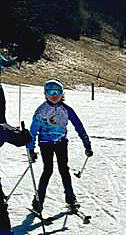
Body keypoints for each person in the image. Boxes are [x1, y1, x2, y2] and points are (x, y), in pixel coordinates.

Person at [28, 79, 92, 216]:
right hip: (46, 143)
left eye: (57, 92)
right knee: (48, 170)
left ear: (62, 94)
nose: (54, 95)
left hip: (61, 142)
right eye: (50, 92)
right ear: (45, 94)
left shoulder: (66, 110)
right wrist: (30, 149)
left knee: (64, 169)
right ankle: (38, 201)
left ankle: (71, 199)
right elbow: (33, 130)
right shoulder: (41, 111)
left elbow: (78, 126)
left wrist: (86, 143)